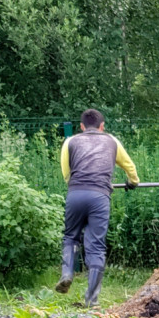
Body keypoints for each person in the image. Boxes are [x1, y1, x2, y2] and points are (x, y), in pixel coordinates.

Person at [55, 109, 140, 306]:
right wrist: (132, 182)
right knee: (96, 246)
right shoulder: (111, 141)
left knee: (70, 237)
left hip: (75, 193)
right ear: (102, 126)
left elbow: (66, 172)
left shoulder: (71, 142)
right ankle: (91, 300)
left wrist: (74, 185)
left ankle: (67, 273)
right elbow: (130, 167)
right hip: (100, 196)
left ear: (82, 127)